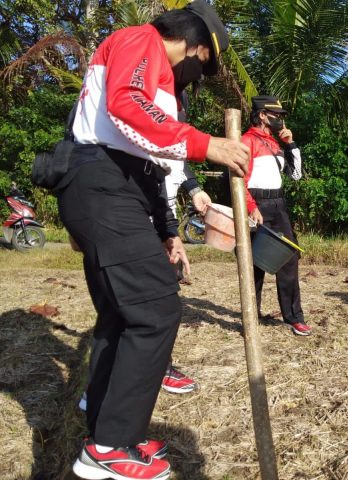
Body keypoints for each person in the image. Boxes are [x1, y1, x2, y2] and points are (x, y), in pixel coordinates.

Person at [56, 2, 249, 479]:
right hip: (101, 186)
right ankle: (109, 447)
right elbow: (125, 104)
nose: (196, 74)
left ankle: (109, 430)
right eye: (203, 63)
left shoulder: (161, 79)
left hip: (118, 191)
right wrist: (209, 144)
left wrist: (165, 231)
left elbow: (151, 163)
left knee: (121, 316)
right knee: (156, 310)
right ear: (196, 45)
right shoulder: (141, 40)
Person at [241, 95, 311, 336]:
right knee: (255, 263)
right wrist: (251, 207)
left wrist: (291, 145)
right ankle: (251, 316)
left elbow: (296, 175)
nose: (280, 120)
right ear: (263, 115)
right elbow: (239, 180)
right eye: (277, 115)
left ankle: (294, 317)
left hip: (278, 204)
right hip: (256, 204)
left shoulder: (275, 143)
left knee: (288, 258)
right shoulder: (246, 141)